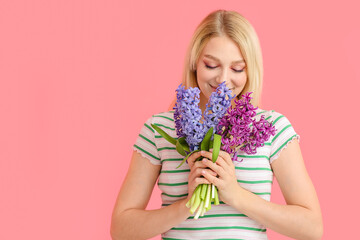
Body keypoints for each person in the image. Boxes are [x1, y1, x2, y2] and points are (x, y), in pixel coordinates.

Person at [110, 9, 323, 240]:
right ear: (194, 63)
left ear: (250, 69)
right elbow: (121, 229)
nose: (222, 80)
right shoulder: (158, 129)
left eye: (237, 68)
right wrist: (188, 204)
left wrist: (235, 194)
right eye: (211, 65)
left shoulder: (272, 127)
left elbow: (311, 228)